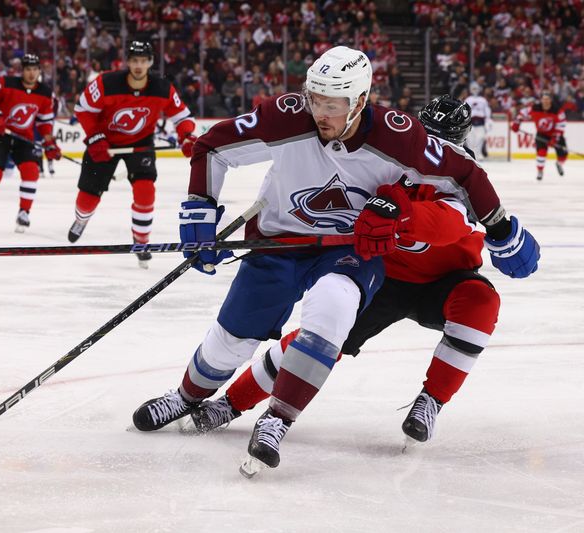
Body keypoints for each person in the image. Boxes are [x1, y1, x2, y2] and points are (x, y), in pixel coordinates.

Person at [130, 46, 540, 476]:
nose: (319, 113)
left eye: (332, 104)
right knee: (233, 340)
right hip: (291, 243)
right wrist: (199, 210)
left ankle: (280, 420)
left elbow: (459, 192)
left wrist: (500, 230)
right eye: (315, 99)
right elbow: (213, 145)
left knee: (333, 310)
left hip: (357, 255)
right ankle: (196, 398)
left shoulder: (408, 146)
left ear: (359, 102)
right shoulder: (288, 117)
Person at [187, 95, 504, 452]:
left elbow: (450, 224)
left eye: (442, 139)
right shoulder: (395, 159)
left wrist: (403, 214)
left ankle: (431, 400)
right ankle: (231, 404)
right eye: (427, 136)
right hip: (384, 274)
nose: (432, 146)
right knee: (316, 340)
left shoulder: (462, 181)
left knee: (481, 302)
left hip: (443, 282)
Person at [68, 40, 196, 268]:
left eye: (143, 61)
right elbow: (83, 109)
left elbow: (182, 117)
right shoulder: (106, 83)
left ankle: (141, 240)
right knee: (88, 197)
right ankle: (81, 219)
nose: (139, 65)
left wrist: (186, 136)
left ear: (150, 62)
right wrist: (96, 137)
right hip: (104, 142)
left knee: (145, 191)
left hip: (140, 144)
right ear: (127, 61)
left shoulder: (162, 87)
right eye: (135, 60)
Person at [0, 54, 61, 233]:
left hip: (23, 138)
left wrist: (50, 143)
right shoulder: (6, 82)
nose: (32, 73)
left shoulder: (45, 92)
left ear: (39, 71)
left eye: (35, 69)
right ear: (22, 71)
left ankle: (24, 212)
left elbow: (44, 122)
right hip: (0, 135)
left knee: (31, 171)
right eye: (28, 70)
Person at [511, 92, 567, 181]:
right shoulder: (535, 108)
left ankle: (559, 164)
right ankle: (540, 171)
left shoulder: (557, 110)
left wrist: (555, 138)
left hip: (555, 134)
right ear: (541, 100)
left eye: (547, 99)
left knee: (563, 154)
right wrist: (516, 123)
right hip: (542, 134)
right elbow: (522, 113)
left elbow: (561, 124)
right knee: (541, 153)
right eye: (543, 99)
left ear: (550, 100)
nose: (545, 101)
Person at [464, 82, 491, 160]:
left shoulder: (483, 100)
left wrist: (488, 120)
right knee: (470, 141)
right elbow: (465, 111)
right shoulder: (468, 99)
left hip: (480, 123)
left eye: (476, 88)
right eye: (473, 88)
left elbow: (487, 110)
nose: (475, 90)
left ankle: (478, 155)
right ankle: (472, 156)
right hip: (470, 123)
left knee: (480, 139)